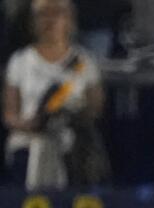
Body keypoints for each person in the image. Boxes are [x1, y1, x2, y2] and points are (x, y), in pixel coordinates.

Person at [2, 0, 105, 189]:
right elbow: (9, 115)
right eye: (43, 14)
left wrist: (71, 117)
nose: (50, 20)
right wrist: (32, 124)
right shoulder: (19, 62)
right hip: (28, 143)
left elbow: (95, 109)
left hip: (71, 147)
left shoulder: (85, 62)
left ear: (69, 19)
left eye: (57, 13)